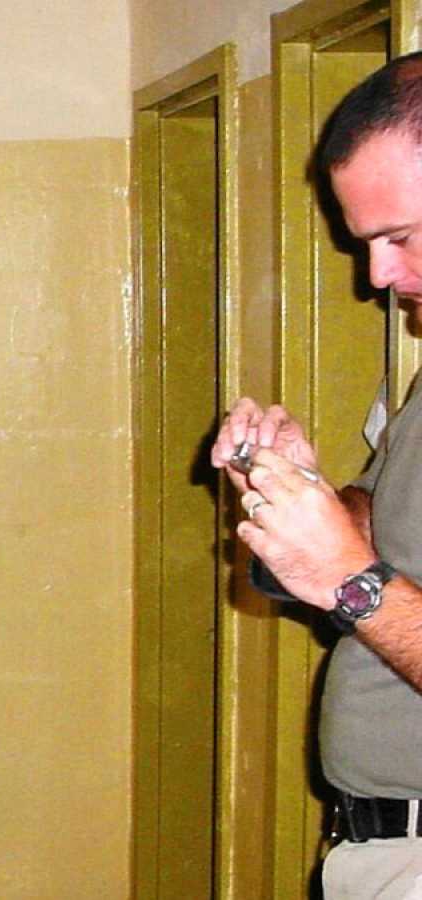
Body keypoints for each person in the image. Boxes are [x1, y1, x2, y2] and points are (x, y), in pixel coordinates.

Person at [211, 52, 422, 899]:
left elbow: (364, 579)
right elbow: (391, 537)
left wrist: (347, 580)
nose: (378, 276)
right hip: (381, 843)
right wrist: (300, 494)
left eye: (399, 238)